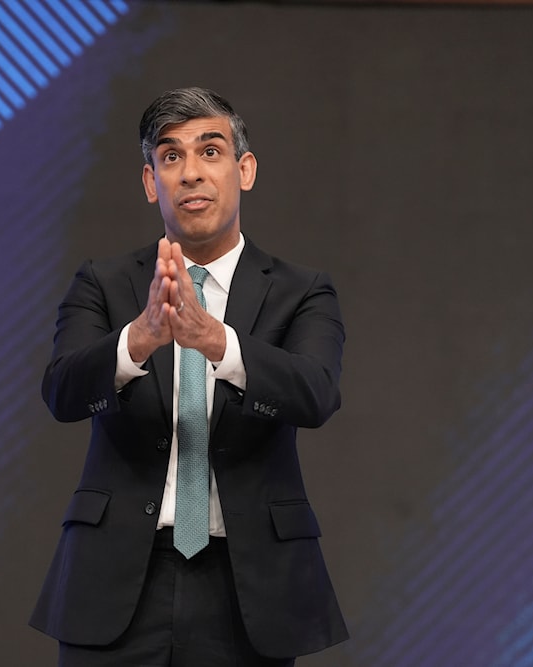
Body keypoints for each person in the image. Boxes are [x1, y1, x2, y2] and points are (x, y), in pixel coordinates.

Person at [30, 87, 347, 666]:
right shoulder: (103, 284)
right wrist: (142, 336)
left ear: (244, 169)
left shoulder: (302, 291)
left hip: (248, 588)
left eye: (210, 151)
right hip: (117, 579)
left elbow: (316, 392)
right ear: (151, 182)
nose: (191, 173)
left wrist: (217, 342)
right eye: (170, 157)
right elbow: (63, 391)